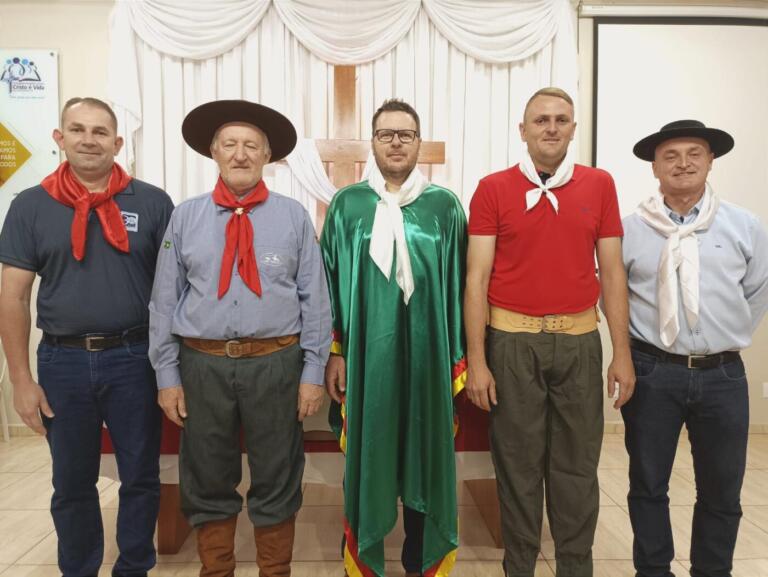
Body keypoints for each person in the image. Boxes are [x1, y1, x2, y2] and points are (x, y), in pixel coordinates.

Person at [149, 99, 331, 577]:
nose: (241, 154)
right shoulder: (186, 217)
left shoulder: (292, 217)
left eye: (252, 145)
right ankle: (218, 570)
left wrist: (312, 371)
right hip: (202, 364)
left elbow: (317, 300)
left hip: (276, 362)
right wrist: (167, 375)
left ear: (267, 155)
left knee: (277, 470)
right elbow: (164, 302)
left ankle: (275, 571)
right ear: (214, 151)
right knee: (207, 472)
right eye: (230, 144)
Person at [464, 86, 635, 577]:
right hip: (512, 344)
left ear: (573, 128)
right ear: (523, 130)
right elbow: (475, 278)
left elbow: (613, 271)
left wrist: (620, 353)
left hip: (579, 343)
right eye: (541, 120)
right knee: (517, 467)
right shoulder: (493, 188)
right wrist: (478, 359)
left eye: (561, 119)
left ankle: (574, 567)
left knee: (576, 468)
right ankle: (519, 566)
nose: (551, 127)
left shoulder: (599, 184)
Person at [0, 97, 174, 577]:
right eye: (77, 129)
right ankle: (79, 569)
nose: (88, 139)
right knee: (71, 482)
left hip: (136, 359)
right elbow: (12, 297)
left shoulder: (153, 202)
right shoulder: (30, 206)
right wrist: (20, 379)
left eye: (100, 132)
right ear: (60, 138)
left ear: (117, 143)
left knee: (140, 477)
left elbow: (174, 290)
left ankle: (134, 567)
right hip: (63, 363)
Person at [322, 98, 467, 577]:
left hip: (428, 358)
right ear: (373, 141)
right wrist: (337, 351)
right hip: (370, 360)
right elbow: (329, 282)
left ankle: (419, 563)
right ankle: (365, 558)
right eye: (387, 134)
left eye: (406, 134)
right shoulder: (348, 206)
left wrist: (458, 359)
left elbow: (462, 284)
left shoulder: (445, 207)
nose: (397, 142)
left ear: (419, 142)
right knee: (374, 448)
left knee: (425, 453)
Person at [622, 120, 768, 577]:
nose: (683, 163)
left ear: (710, 161)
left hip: (723, 376)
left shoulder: (745, 226)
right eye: (671, 155)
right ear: (654, 167)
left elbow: (758, 290)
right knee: (647, 484)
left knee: (722, 490)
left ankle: (712, 570)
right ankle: (653, 570)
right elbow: (615, 294)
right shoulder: (630, 229)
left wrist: (724, 334)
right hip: (652, 371)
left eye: (694, 153)